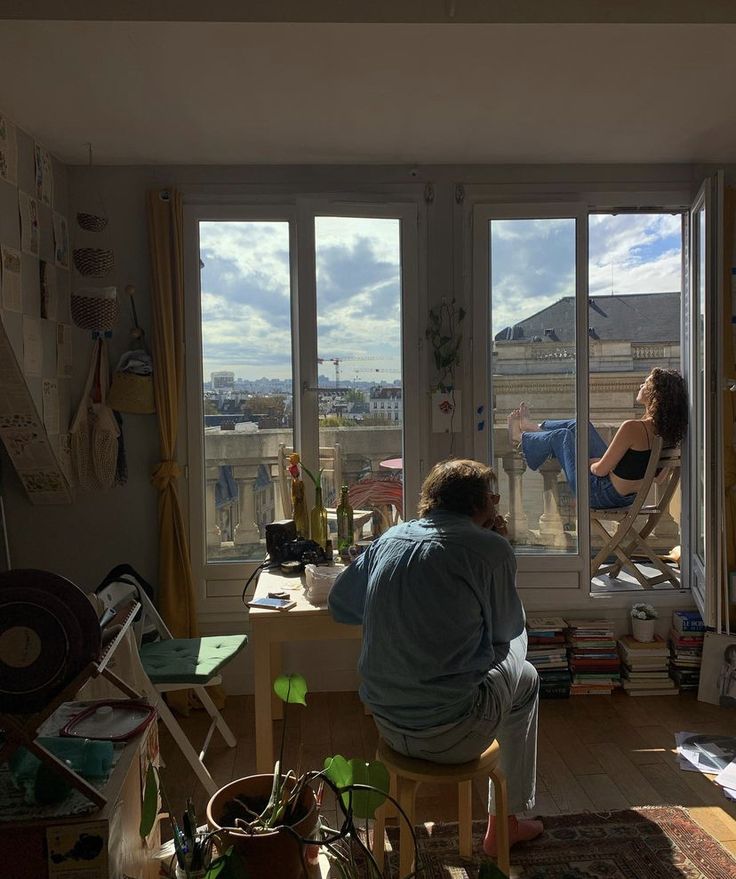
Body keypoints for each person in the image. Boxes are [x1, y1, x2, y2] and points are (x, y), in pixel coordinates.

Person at [328, 459, 542, 858]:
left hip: (388, 724)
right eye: (493, 499)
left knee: (490, 651)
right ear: (484, 504)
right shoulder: (490, 549)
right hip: (453, 734)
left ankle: (506, 820)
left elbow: (341, 605)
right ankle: (505, 824)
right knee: (523, 663)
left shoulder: (390, 539)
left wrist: (397, 606)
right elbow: (504, 632)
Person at [507, 367, 688, 509]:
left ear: (654, 394)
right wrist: (604, 463)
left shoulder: (632, 428)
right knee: (581, 426)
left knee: (563, 437)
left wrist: (587, 462)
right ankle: (532, 427)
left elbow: (600, 471)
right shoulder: (668, 432)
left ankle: (520, 437)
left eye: (646, 383)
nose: (641, 385)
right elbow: (659, 478)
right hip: (628, 497)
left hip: (601, 495)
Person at [718, 643, 736, 709]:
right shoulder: (725, 667)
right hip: (727, 696)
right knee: (723, 700)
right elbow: (720, 683)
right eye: (733, 657)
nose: (734, 660)